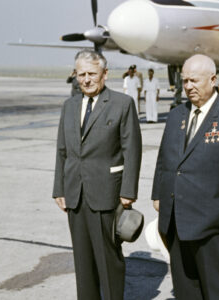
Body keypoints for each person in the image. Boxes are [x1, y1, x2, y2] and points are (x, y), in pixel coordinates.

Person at [151, 54, 219, 300]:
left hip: (212, 221)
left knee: (215, 289)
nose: (188, 86)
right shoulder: (177, 115)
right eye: (185, 81)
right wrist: (158, 194)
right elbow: (164, 158)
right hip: (176, 217)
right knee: (185, 287)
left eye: (194, 81)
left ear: (213, 80)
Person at [52, 50, 142, 300]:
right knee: (82, 262)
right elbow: (62, 150)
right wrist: (58, 188)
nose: (86, 79)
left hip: (107, 193)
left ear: (105, 74)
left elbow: (132, 150)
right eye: (81, 74)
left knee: (108, 260)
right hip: (75, 195)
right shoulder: (69, 106)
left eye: (92, 73)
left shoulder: (122, 104)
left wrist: (128, 192)